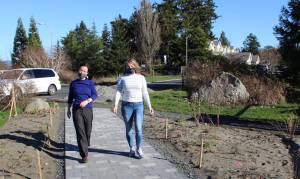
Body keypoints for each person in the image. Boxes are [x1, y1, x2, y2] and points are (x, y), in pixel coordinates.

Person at [112, 58, 154, 159]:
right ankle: (131, 148)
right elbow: (118, 92)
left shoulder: (141, 78)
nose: (130, 67)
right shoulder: (122, 79)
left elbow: (145, 92)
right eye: (128, 65)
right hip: (126, 106)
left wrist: (150, 106)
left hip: (139, 106)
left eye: (132, 65)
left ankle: (139, 148)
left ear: (136, 66)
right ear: (126, 67)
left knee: (139, 129)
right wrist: (116, 105)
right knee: (129, 129)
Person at [67, 64, 97, 163]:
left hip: (88, 109)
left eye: (85, 71)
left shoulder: (90, 83)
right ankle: (84, 155)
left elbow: (95, 95)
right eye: (81, 70)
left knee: (88, 130)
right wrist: (68, 109)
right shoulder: (73, 83)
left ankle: (86, 143)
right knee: (80, 132)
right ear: (78, 71)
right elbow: (70, 97)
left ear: (87, 73)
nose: (82, 72)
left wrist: (87, 101)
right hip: (76, 109)